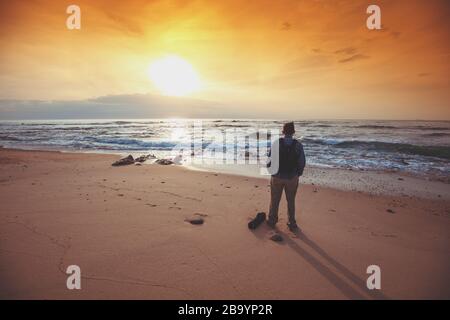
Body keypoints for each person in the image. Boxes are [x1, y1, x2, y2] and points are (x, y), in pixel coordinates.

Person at [267, 122, 306, 231]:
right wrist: (298, 173)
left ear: (283, 131)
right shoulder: (298, 145)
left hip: (277, 176)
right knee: (291, 200)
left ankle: (272, 220)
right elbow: (302, 162)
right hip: (292, 177)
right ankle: (292, 223)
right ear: (293, 132)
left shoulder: (276, 143)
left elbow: (269, 160)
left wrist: (271, 172)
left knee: (275, 199)